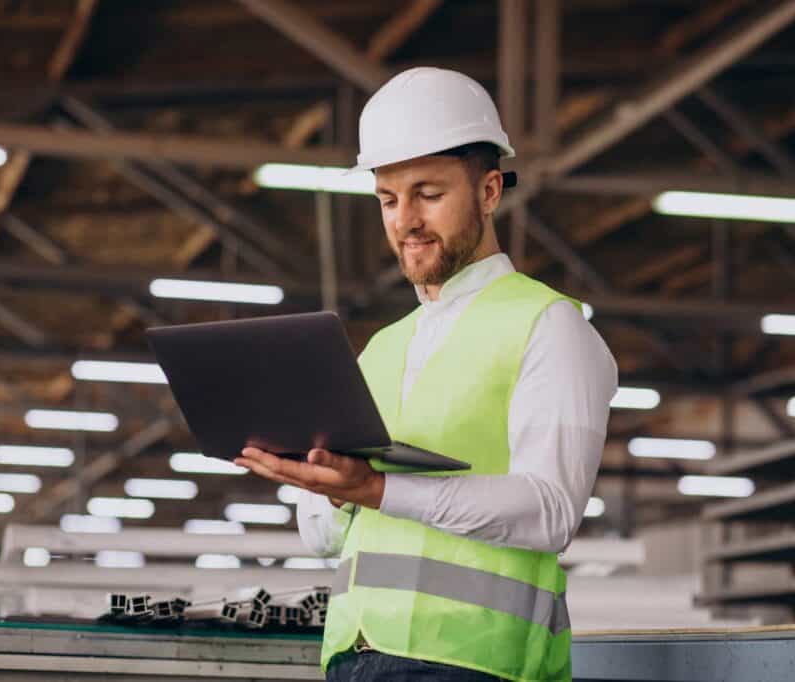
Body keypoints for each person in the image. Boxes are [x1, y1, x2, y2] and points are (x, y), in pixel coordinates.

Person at [234, 67, 617, 682]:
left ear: (490, 191)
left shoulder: (549, 326)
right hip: (354, 657)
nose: (404, 219)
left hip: (477, 664)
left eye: (428, 194)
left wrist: (376, 489)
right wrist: (328, 488)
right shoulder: (380, 349)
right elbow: (323, 538)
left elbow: (552, 511)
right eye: (388, 199)